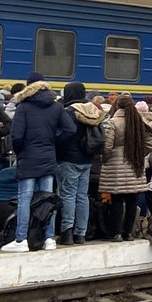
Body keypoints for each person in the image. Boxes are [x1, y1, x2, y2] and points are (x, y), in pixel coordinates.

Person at [2, 74, 75, 253]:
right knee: (47, 200)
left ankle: (21, 240)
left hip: (28, 158)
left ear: (28, 87)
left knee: (25, 199)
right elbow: (70, 129)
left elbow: (16, 136)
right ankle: (49, 238)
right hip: (48, 157)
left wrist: (21, 152)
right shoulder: (57, 106)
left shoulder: (24, 107)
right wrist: (53, 142)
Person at [100, 95, 152, 241]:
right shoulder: (139, 122)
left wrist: (106, 158)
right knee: (132, 200)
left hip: (115, 167)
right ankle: (129, 233)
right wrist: (140, 154)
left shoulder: (113, 123)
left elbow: (107, 146)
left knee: (116, 200)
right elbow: (151, 142)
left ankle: (116, 233)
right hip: (135, 165)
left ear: (117, 106)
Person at [56, 81, 104, 245]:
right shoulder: (93, 110)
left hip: (68, 158)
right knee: (82, 196)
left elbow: (63, 134)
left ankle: (67, 232)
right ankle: (81, 233)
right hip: (87, 159)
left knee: (68, 195)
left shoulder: (68, 112)